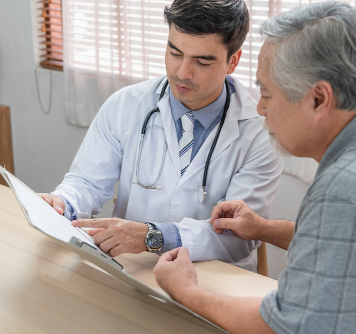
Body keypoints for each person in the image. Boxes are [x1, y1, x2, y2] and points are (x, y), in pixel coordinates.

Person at [153, 2, 356, 333]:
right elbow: (349, 241)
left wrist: (184, 289)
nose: (262, 108)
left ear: (319, 99)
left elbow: (285, 328)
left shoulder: (349, 189)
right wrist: (263, 229)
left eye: (267, 94)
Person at [39, 0, 282, 272]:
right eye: (175, 53)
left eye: (202, 62)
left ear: (232, 62)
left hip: (215, 281)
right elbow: (87, 182)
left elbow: (237, 238)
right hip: (131, 271)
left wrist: (152, 236)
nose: (182, 73)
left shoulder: (262, 131)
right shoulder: (126, 104)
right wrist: (64, 204)